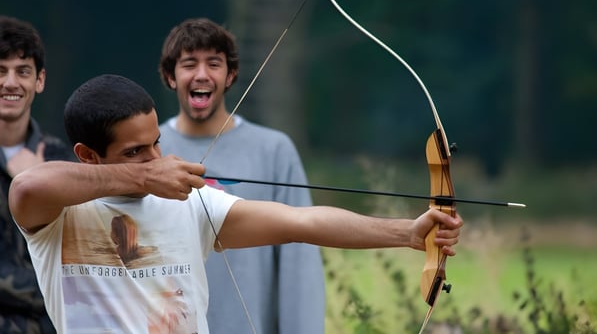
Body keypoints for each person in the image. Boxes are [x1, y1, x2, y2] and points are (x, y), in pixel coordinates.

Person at [8, 73, 463, 334]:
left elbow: (302, 222)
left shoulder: (191, 203)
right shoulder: (57, 214)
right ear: (87, 155)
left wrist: (405, 232)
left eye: (156, 145)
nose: (155, 159)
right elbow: (27, 188)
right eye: (134, 152)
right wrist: (146, 175)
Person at [157, 18, 325, 334]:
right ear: (170, 76)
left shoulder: (274, 150)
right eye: (189, 64)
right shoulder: (147, 153)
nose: (202, 74)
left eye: (214, 64)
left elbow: (299, 258)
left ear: (231, 75)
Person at [0, 15, 73, 334]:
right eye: (0, 71)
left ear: (39, 81)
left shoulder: (63, 161)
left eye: (23, 71)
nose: (10, 82)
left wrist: (39, 181)